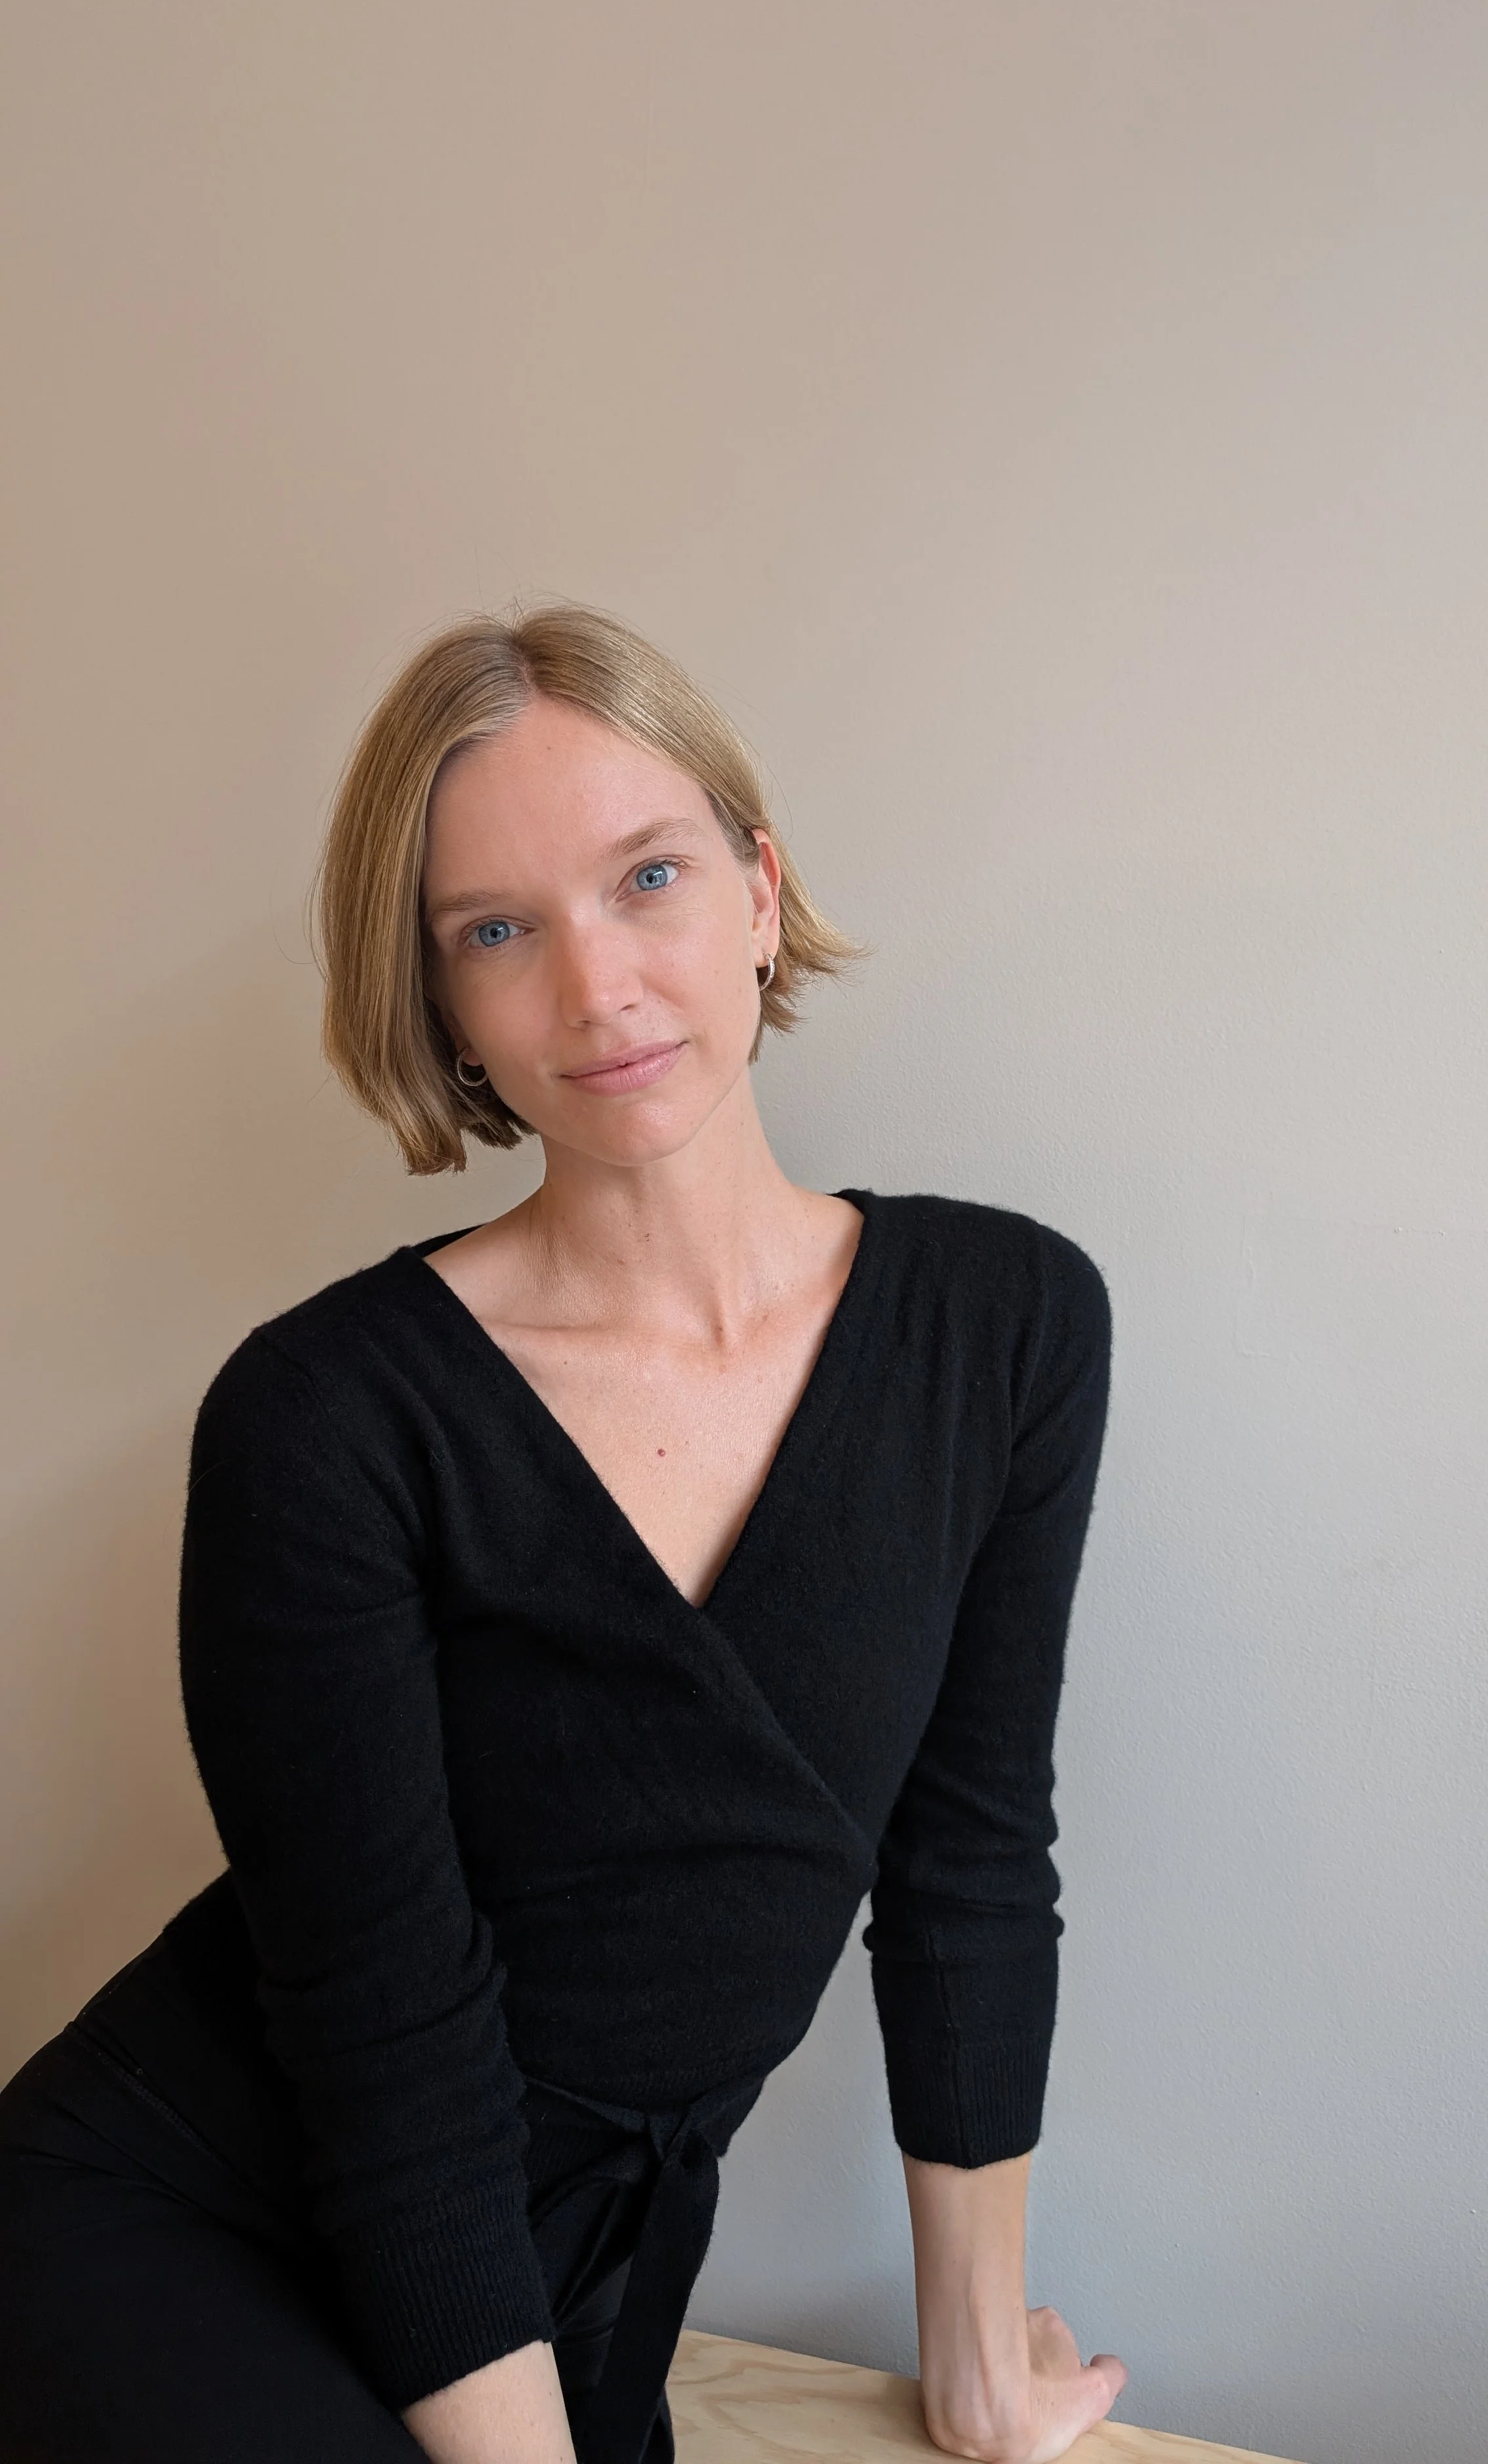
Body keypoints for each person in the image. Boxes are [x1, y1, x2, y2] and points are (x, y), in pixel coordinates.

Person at [0, 606, 1128, 2464]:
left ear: (759, 892)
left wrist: (980, 2361)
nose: (594, 985)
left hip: (570, 2281)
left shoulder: (1002, 1323)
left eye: (649, 877)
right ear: (438, 999)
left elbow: (972, 1859)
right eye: (497, 931)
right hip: (184, 2229)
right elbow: (384, 2025)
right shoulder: (325, 1419)